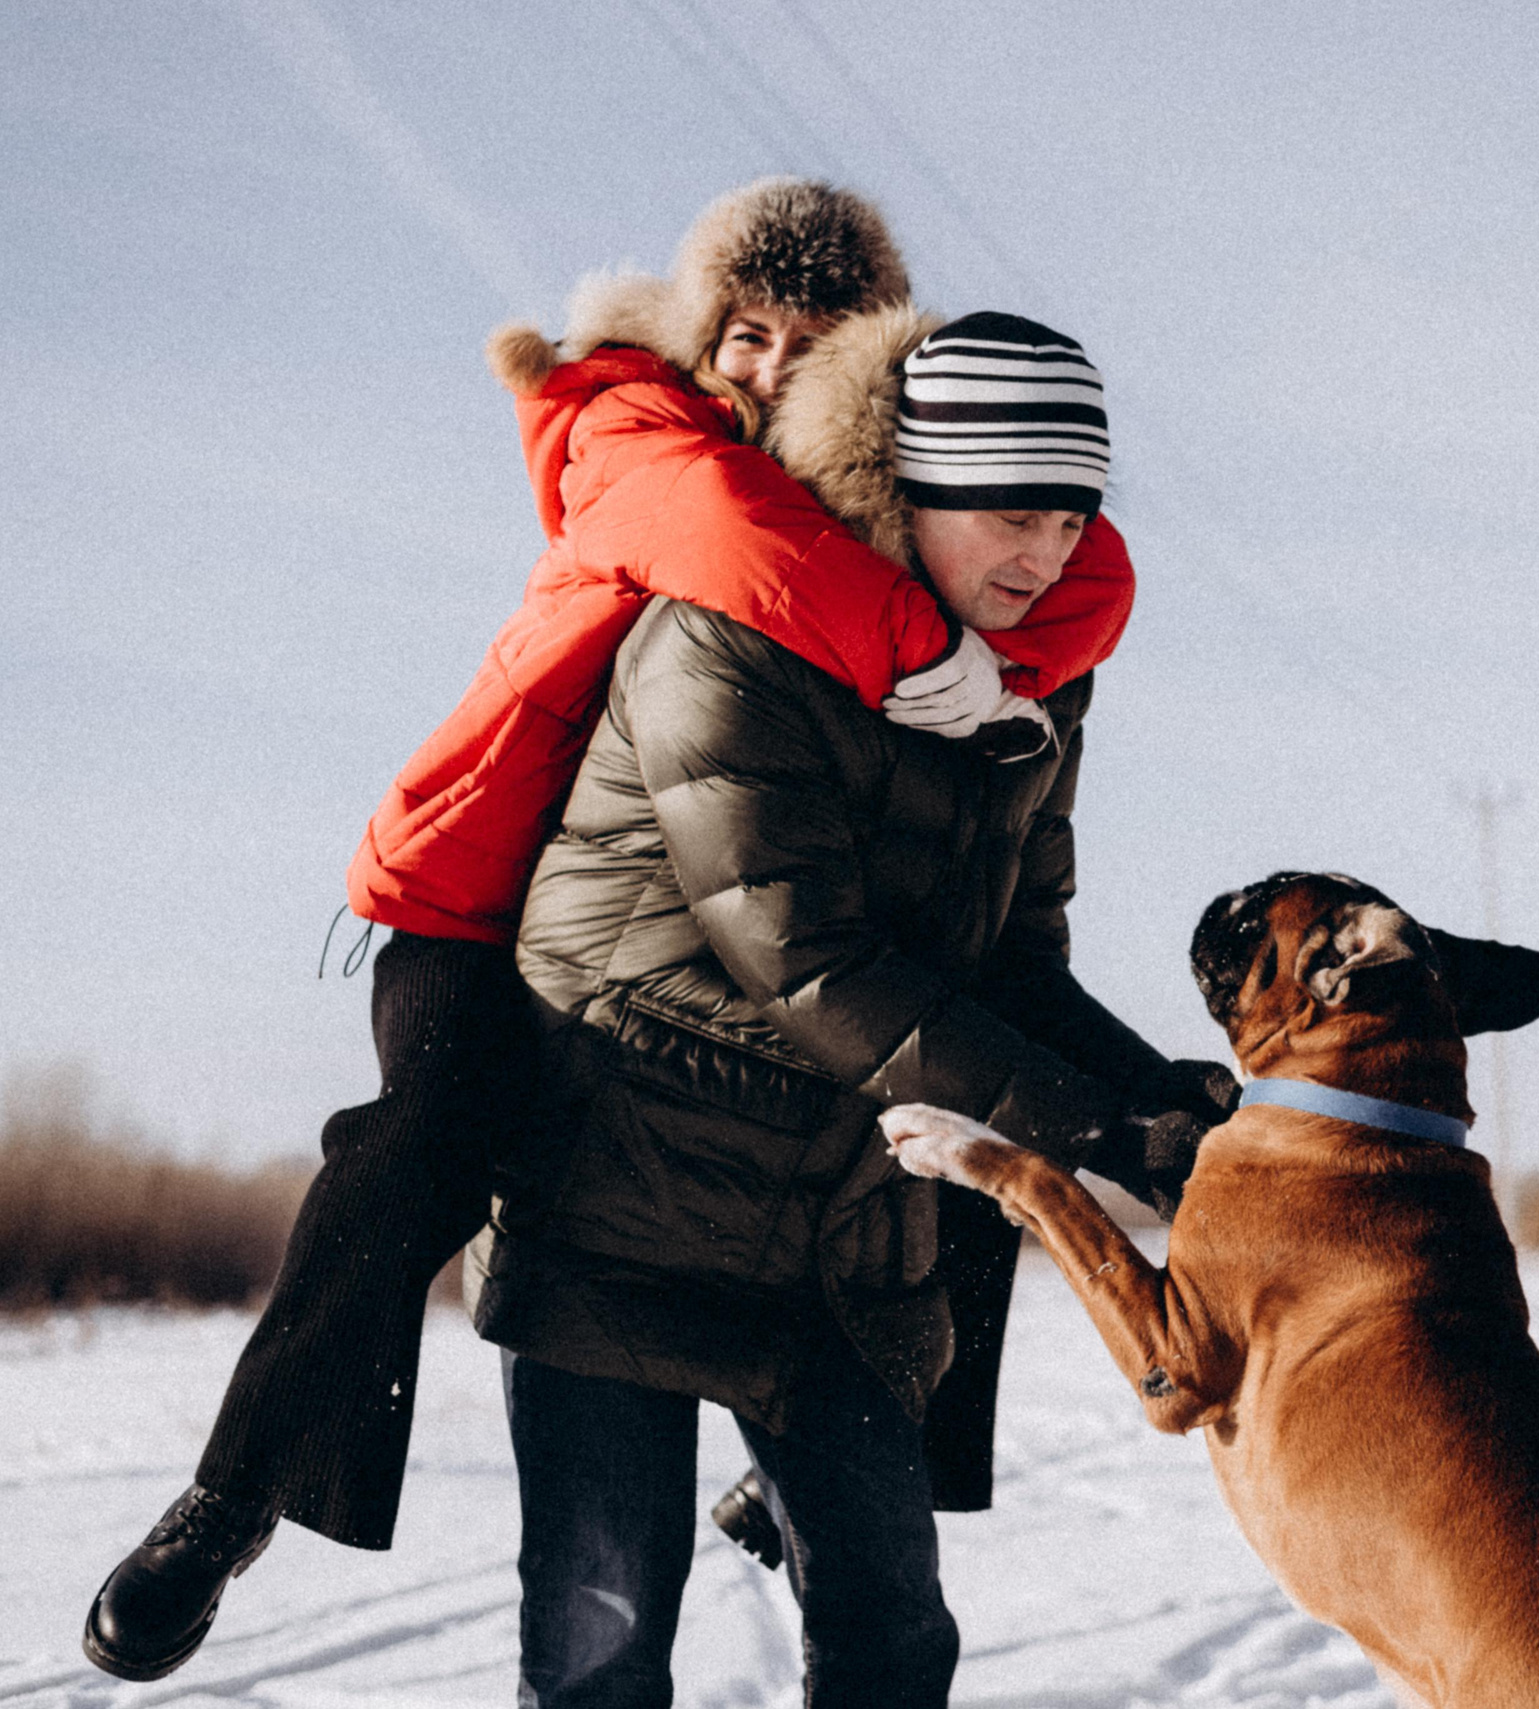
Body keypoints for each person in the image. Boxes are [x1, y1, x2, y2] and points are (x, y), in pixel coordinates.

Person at [80, 178, 1142, 1683]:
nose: (768, 372)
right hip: (468, 893)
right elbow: (742, 541)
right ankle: (232, 1493)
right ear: (697, 323)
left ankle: (808, 1484)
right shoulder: (638, 428)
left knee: (949, 1152)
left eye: (812, 344)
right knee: (426, 1143)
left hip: (633, 929)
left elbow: (1078, 576)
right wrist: (945, 654)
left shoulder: (860, 512)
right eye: (748, 333)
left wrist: (1027, 621)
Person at [474, 307, 1225, 1709]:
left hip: (841, 1228)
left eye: (1076, 517)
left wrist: (1177, 1112)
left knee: (893, 1637)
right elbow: (808, 961)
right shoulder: (725, 638)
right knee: (601, 1647)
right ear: (911, 483)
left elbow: (1016, 964)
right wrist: (1099, 1135)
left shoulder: (1034, 687)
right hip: (620, 1195)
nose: (1049, 554)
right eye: (1015, 511)